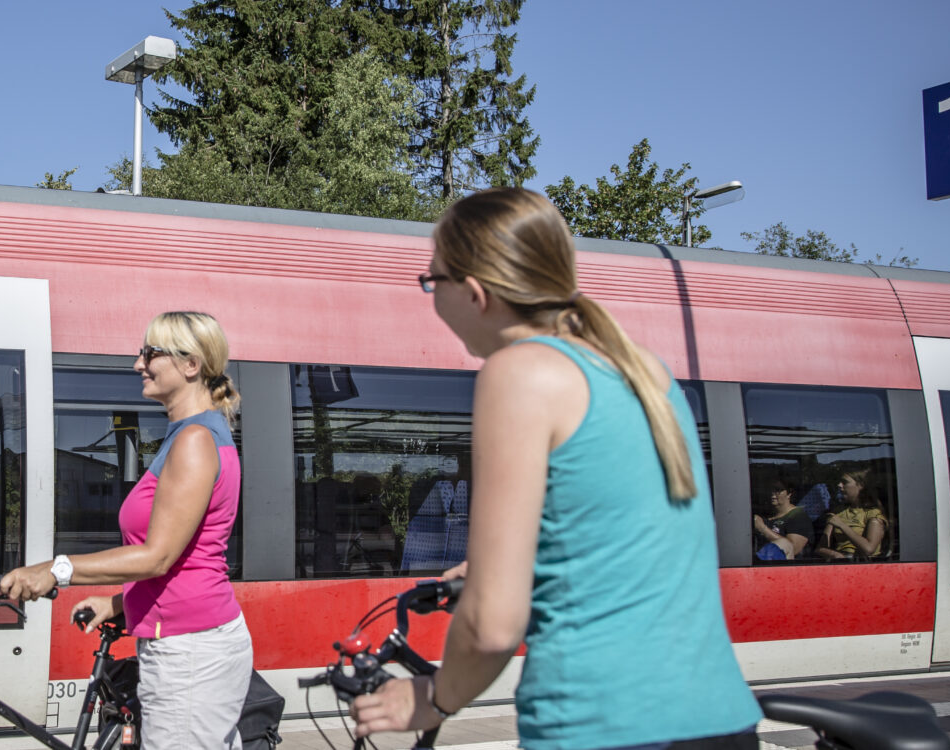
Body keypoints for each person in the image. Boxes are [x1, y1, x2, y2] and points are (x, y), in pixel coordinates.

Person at [349, 189, 762, 749]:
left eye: (432, 280)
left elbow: (494, 626)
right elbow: (618, 540)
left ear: (474, 292)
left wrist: (434, 697)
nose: (431, 294)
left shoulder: (519, 374)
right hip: (717, 719)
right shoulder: (644, 370)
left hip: (601, 723)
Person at [0, 311, 254, 750]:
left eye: (150, 353)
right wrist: (121, 602)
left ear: (191, 365)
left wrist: (54, 570)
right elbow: (186, 555)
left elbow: (158, 556)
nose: (138, 364)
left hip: (188, 653)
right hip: (185, 642)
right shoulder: (192, 435)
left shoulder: (194, 440)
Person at [815, 468, 888, 560]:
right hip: (840, 562)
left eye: (845, 482)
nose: (839, 485)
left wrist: (842, 525)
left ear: (860, 485)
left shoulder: (874, 515)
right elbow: (820, 548)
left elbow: (869, 549)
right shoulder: (838, 512)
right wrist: (835, 555)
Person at [754, 481, 811, 561]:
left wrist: (762, 529)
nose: (772, 493)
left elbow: (792, 548)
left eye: (778, 490)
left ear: (789, 494)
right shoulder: (764, 515)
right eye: (770, 489)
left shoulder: (798, 516)